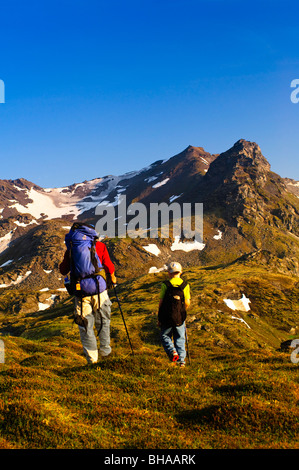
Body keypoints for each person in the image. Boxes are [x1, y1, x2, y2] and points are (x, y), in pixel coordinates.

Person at [59, 229, 116, 364]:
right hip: (100, 290)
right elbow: (109, 266)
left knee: (85, 325)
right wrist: (112, 278)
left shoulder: (72, 248)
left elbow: (63, 270)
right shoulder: (100, 246)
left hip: (81, 292)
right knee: (103, 321)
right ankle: (105, 353)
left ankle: (92, 360)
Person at [158, 262, 191, 367]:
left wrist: (159, 315)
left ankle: (172, 351)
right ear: (181, 272)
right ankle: (181, 361)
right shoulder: (185, 285)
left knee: (165, 335)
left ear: (169, 273)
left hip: (166, 315)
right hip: (179, 317)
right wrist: (182, 310)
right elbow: (187, 302)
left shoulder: (165, 284)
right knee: (180, 337)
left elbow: (161, 301)